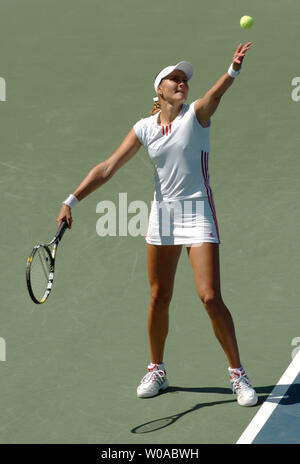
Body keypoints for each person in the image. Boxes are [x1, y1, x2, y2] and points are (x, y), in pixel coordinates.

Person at [56, 42, 258, 407]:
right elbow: (107, 168)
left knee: (210, 297)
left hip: (198, 214)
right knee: (158, 297)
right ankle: (157, 370)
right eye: (174, 79)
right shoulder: (145, 128)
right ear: (159, 90)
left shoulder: (195, 115)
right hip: (162, 218)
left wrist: (232, 70)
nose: (182, 83)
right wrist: (71, 200)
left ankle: (238, 374)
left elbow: (214, 95)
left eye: (185, 79)